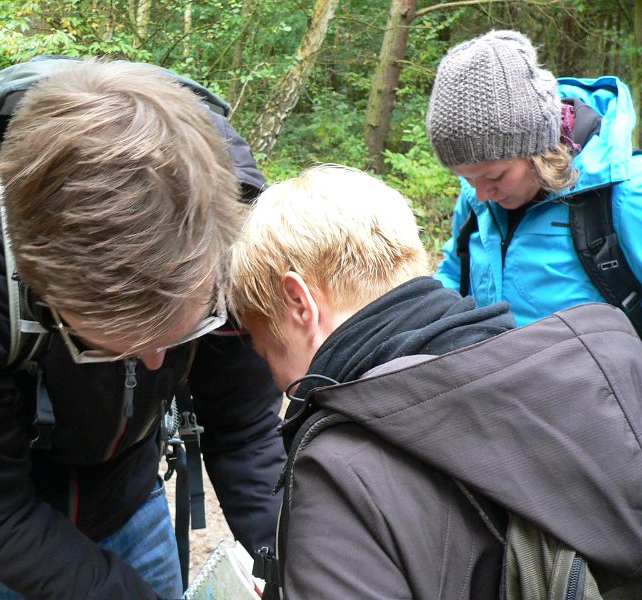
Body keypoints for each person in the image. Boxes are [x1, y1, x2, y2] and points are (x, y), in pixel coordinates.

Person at [0, 60, 285, 599]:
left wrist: (290, 565)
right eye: (105, 348)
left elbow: (243, 428)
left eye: (186, 332)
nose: (157, 364)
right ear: (41, 289)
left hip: (130, 498)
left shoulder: (230, 243)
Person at [228, 164, 642, 599]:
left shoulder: (338, 471)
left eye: (266, 350)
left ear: (300, 303)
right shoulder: (587, 382)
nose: (276, 378)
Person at [428, 30, 642, 328]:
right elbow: (454, 273)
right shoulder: (476, 198)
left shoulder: (627, 193)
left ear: (538, 149)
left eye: (495, 176)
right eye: (466, 178)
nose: (481, 195)